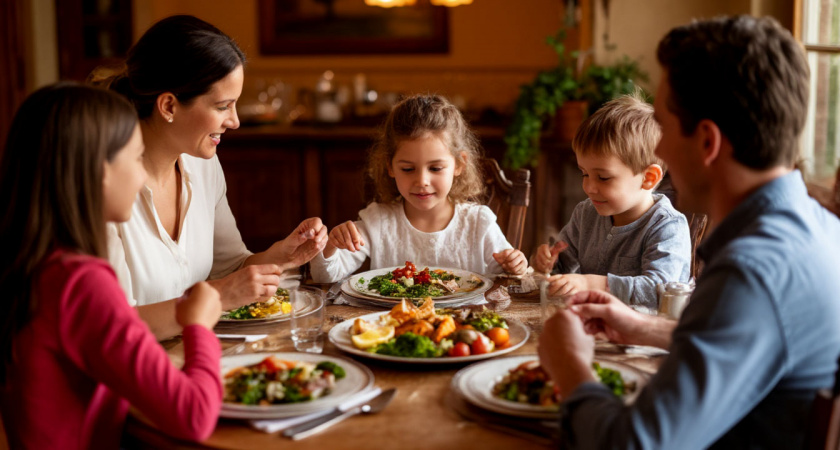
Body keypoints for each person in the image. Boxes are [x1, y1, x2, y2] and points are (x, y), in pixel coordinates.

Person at [538, 15, 840, 448]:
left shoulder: (752, 272)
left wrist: (568, 366)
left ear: (706, 142)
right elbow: (750, 343)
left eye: (664, 124)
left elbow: (632, 444)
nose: (657, 150)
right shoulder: (821, 228)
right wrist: (645, 329)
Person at [0, 83, 223, 448]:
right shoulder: (80, 284)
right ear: (99, 170)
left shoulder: (32, 263)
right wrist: (197, 324)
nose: (141, 175)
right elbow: (194, 415)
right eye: (136, 158)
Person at [93, 15, 327, 338]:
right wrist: (219, 295)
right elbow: (110, 328)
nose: (234, 121)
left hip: (198, 352)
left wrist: (282, 256)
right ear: (168, 106)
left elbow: (230, 269)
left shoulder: (203, 166)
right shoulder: (105, 186)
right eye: (223, 106)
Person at [310, 94, 528, 282]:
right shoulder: (377, 221)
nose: (422, 180)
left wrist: (516, 267)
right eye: (408, 169)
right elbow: (325, 277)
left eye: (435, 168)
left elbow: (510, 279)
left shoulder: (478, 223)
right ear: (390, 167)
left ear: (459, 165)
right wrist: (331, 246)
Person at [532, 92, 691, 308]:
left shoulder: (668, 226)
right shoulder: (585, 213)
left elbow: (660, 291)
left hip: (643, 336)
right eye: (584, 173)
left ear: (648, 178)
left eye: (603, 177)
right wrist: (547, 262)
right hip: (594, 326)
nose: (588, 187)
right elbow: (562, 265)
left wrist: (593, 283)